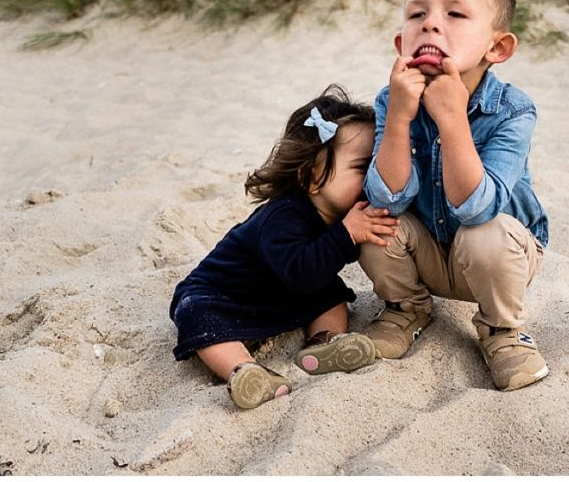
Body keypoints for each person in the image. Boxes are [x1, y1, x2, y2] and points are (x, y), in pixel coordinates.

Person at [359, 0, 550, 392]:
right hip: (428, 251)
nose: (430, 23)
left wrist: (451, 118)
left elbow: (477, 207)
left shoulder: (512, 110)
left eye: (455, 13)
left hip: (496, 256)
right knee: (376, 222)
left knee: (485, 233)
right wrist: (401, 119)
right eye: (417, 14)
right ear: (399, 43)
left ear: (496, 48)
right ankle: (407, 310)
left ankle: (503, 332)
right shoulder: (392, 100)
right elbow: (388, 197)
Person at [170, 85, 399, 409]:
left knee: (331, 293)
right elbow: (300, 273)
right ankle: (244, 371)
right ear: (311, 178)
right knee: (195, 313)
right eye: (362, 168)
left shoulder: (335, 213)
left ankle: (325, 342)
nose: (370, 179)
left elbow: (313, 274)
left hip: (281, 292)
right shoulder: (282, 216)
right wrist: (347, 235)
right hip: (225, 295)